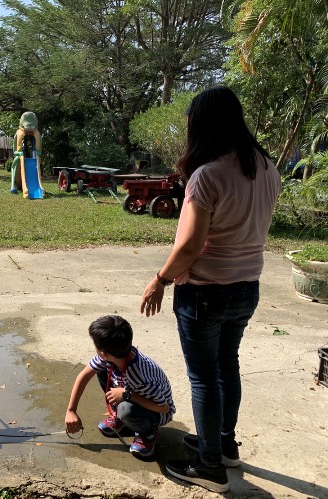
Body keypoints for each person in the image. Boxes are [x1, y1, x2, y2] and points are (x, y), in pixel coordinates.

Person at [139, 86, 281, 493]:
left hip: (204, 293)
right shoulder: (268, 167)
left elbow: (188, 246)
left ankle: (209, 466)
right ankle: (223, 444)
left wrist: (160, 280)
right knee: (227, 366)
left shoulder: (208, 175)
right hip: (246, 287)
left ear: (202, 126)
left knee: (204, 377)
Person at [65, 315, 175, 459]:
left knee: (125, 410)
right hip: (130, 393)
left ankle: (148, 433)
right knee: (101, 371)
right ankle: (122, 420)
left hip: (157, 410)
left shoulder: (139, 375)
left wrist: (127, 394)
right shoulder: (112, 357)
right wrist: (71, 410)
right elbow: (84, 375)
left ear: (103, 352)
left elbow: (164, 408)